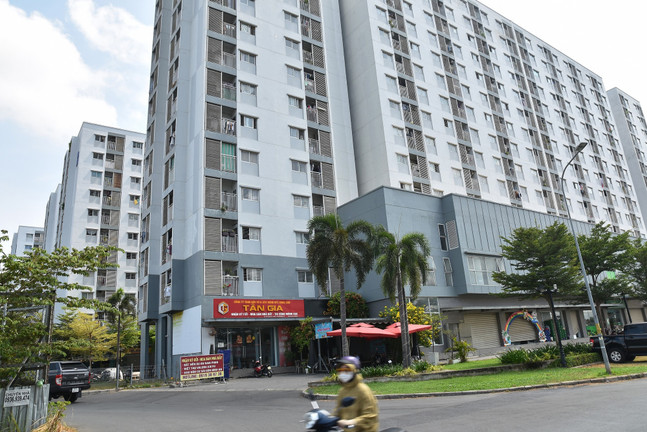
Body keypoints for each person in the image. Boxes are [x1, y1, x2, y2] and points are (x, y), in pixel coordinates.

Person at [333, 356, 379, 432]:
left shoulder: (363, 390)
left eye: (346, 370)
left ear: (354, 371)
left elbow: (370, 416)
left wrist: (353, 422)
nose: (343, 373)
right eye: (340, 370)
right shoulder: (342, 391)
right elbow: (338, 411)